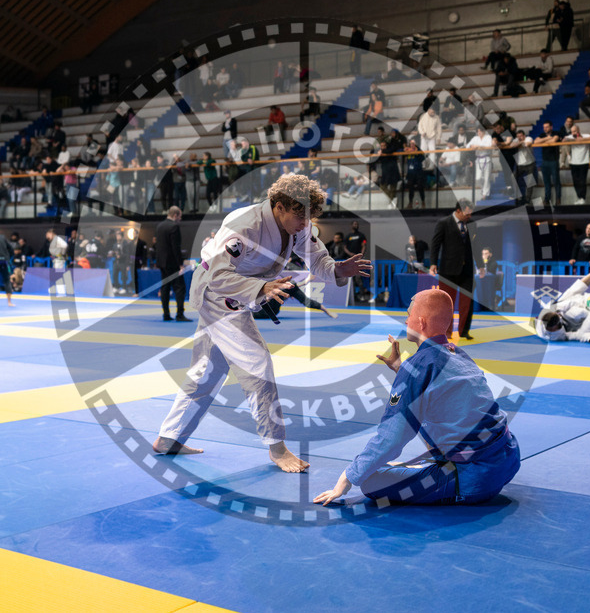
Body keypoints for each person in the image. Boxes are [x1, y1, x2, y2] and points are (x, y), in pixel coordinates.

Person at [153, 174, 372, 472]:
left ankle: (168, 438)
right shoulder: (244, 226)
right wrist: (263, 288)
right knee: (257, 363)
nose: (305, 223)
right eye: (300, 216)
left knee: (207, 371)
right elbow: (218, 275)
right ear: (280, 207)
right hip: (216, 294)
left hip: (237, 294)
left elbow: (317, 258)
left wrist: (337, 270)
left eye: (309, 217)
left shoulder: (297, 226)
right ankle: (277, 447)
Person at [313, 288, 520, 507]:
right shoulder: (458, 354)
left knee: (371, 482)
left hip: (474, 478)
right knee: (428, 418)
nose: (406, 320)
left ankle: (445, 476)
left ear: (420, 322)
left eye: (408, 315)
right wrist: (400, 369)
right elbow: (440, 392)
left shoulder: (417, 367)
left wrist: (347, 478)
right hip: (508, 458)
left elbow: (392, 438)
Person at [430, 200, 476, 340]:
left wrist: (479, 265)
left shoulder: (472, 224)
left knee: (467, 302)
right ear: (458, 211)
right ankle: (445, 331)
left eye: (470, 214)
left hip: (467, 269)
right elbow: (435, 244)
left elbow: (475, 246)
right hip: (448, 269)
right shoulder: (444, 223)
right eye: (467, 214)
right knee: (446, 302)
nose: (469, 216)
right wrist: (433, 263)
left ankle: (464, 331)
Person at [155, 205, 189, 322]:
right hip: (172, 263)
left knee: (165, 288)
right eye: (180, 216)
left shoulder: (160, 226)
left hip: (162, 262)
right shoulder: (174, 226)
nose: (180, 219)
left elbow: (158, 246)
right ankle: (180, 314)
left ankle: (166, 314)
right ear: (175, 215)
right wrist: (180, 264)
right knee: (180, 288)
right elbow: (176, 247)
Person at [533, 120, 564, 207]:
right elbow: (536, 142)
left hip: (554, 160)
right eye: (544, 127)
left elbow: (553, 141)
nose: (545, 129)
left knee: (556, 181)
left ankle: (558, 199)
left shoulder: (556, 133)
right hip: (545, 161)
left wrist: (543, 141)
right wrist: (548, 138)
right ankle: (547, 199)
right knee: (546, 182)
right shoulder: (542, 134)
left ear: (551, 127)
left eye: (547, 127)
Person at [564, 124, 590, 205]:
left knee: (582, 181)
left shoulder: (585, 135)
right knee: (575, 181)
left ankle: (582, 198)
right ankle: (579, 197)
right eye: (572, 131)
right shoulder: (571, 136)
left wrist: (582, 139)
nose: (573, 133)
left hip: (584, 162)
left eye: (575, 131)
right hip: (574, 162)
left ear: (578, 131)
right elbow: (564, 140)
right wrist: (573, 139)